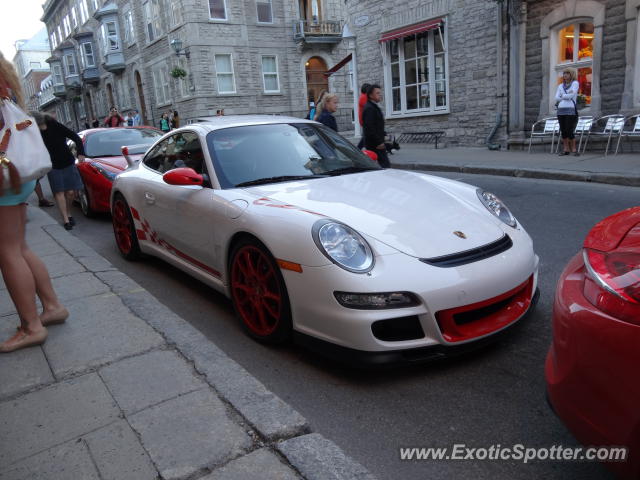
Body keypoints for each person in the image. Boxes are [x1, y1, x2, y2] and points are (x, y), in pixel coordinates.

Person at [0, 53, 68, 353]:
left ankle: (31, 326)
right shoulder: (6, 87)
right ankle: (51, 306)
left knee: (8, 252)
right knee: (20, 248)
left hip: (5, 178)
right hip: (17, 174)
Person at [31, 111, 85, 230]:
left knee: (71, 193)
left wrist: (81, 153)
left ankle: (68, 212)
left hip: (67, 162)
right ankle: (66, 220)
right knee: (59, 192)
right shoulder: (36, 134)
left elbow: (75, 137)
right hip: (53, 166)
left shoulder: (55, 125)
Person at [362, 84, 390, 168]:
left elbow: (377, 124)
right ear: (371, 95)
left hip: (377, 142)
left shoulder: (373, 106)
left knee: (381, 165)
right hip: (374, 144)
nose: (380, 95)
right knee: (384, 165)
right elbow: (369, 128)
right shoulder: (369, 108)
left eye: (380, 93)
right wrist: (378, 142)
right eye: (377, 93)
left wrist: (384, 134)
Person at [555, 68, 580, 156]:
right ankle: (566, 149)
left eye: (567, 73)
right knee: (563, 130)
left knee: (569, 130)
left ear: (571, 74)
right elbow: (556, 98)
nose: (565, 75)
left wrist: (563, 95)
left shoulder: (575, 83)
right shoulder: (560, 86)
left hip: (570, 110)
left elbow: (571, 95)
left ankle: (574, 149)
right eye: (564, 73)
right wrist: (565, 96)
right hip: (561, 110)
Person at [357, 83, 370, 149]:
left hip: (364, 120)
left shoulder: (363, 96)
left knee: (366, 137)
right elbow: (369, 108)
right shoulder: (364, 97)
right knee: (366, 137)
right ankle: (357, 150)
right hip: (365, 120)